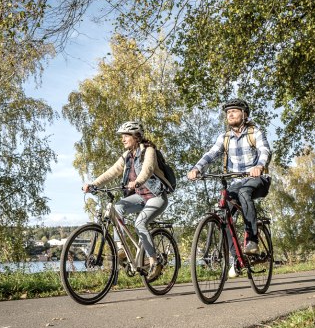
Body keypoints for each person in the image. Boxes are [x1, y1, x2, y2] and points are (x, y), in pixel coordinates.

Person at [187, 98, 272, 277]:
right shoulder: (224, 137)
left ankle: (252, 240)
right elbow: (210, 154)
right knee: (223, 213)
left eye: (234, 111)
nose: (230, 114)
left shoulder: (254, 132)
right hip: (235, 181)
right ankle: (237, 258)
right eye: (228, 112)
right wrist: (196, 168)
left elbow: (265, 150)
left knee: (244, 192)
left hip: (258, 179)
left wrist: (259, 166)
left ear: (244, 114)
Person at [83, 121, 171, 281]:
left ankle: (154, 262)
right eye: (122, 136)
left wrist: (137, 181)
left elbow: (148, 169)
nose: (123, 139)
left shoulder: (148, 151)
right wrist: (93, 184)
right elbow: (112, 172)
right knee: (116, 209)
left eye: (126, 136)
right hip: (140, 197)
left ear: (136, 137)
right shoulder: (127, 156)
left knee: (139, 223)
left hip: (156, 196)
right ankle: (121, 248)